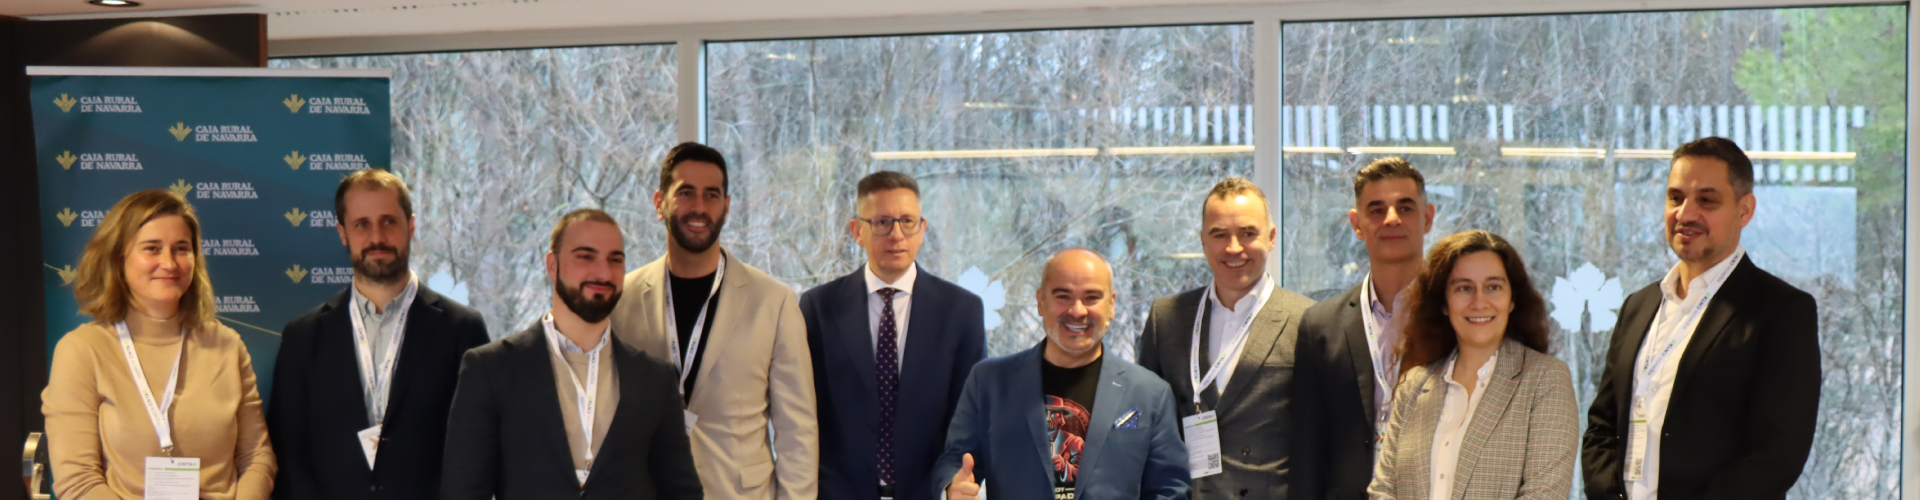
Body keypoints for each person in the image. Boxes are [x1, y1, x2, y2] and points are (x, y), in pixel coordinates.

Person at [1582, 136, 1820, 499]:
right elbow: (1601, 427)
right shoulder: (1638, 306)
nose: (1685, 213)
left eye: (1706, 200)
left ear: (1744, 210)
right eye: (1675, 198)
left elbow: (1776, 456)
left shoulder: (1781, 311)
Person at [440, 209, 701, 500]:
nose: (603, 273)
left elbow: (683, 492)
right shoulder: (490, 369)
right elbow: (461, 493)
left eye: (615, 259)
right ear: (553, 265)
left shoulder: (655, 379)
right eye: (586, 256)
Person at [610, 142, 818, 499]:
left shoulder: (774, 302)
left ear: (727, 206)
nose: (699, 207)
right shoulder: (621, 299)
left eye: (711, 195)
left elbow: (797, 432)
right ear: (660, 203)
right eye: (685, 193)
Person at [270, 169, 490, 500]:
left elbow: (476, 449)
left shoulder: (462, 329)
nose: (377, 237)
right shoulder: (303, 338)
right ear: (343, 233)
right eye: (362, 224)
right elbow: (289, 452)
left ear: (410, 226)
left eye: (389, 221)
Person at [43, 189, 276, 500]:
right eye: (152, 249)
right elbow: (78, 480)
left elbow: (257, 457)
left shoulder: (226, 345)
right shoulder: (82, 350)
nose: (169, 263)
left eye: (181, 249)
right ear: (118, 257)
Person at [932, 248, 1189, 500]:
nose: (1077, 311)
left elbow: (1170, 489)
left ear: (1111, 305)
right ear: (1040, 301)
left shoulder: (1150, 394)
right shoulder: (989, 382)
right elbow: (955, 461)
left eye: (1091, 297)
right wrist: (952, 489)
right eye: (1063, 296)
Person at [800, 171, 986, 500]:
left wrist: (954, 484)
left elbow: (970, 418)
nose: (897, 235)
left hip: (929, 493)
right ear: (857, 231)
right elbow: (803, 416)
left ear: (922, 229)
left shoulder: (961, 311)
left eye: (907, 222)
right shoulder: (819, 307)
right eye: (883, 222)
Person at [1135, 178, 1315, 499]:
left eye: (1248, 233)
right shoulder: (1166, 318)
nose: (1234, 248)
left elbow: (1322, 438)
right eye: (1220, 234)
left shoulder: (1309, 320)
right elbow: (1147, 426)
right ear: (1203, 241)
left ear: (1272, 237)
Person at [1366, 230, 1577, 499]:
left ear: (1512, 300)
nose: (1479, 302)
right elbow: (1383, 489)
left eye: (1493, 287)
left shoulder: (1546, 380)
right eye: (1464, 288)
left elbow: (1544, 494)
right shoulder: (1414, 386)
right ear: (1444, 303)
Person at [1294, 157, 1436, 499]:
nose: (1391, 219)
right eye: (1377, 210)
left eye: (1405, 208)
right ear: (1357, 224)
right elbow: (1307, 451)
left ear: (1427, 218)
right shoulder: (1320, 326)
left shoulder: (1454, 317)